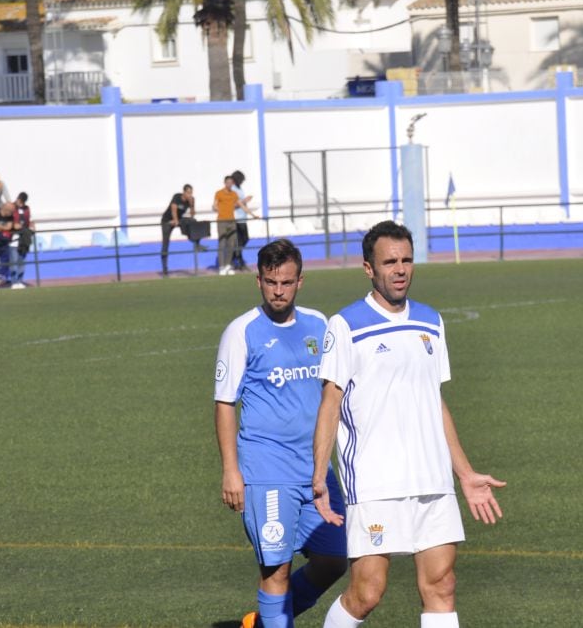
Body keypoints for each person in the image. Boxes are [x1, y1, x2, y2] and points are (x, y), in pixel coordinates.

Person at [312, 221, 506, 628]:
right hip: (375, 482)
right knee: (367, 593)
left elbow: (433, 401)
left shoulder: (430, 321)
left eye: (406, 260)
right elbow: (330, 404)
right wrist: (317, 476)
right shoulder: (346, 325)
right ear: (369, 269)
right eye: (389, 262)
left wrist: (465, 474)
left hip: (432, 480)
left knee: (441, 585)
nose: (400, 269)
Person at [214, 239, 348, 628]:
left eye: (286, 282)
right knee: (276, 571)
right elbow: (225, 404)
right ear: (258, 280)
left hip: (316, 471)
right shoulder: (242, 332)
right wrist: (230, 470)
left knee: (334, 559)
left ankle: (257, 625)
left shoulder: (319, 325)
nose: (278, 290)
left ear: (300, 281)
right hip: (266, 471)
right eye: (271, 282)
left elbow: (334, 391)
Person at [214, 176, 258, 276]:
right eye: (227, 183)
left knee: (231, 244)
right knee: (222, 243)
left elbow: (242, 205)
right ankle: (221, 266)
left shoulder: (234, 194)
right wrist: (216, 208)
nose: (229, 184)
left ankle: (228, 265)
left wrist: (253, 215)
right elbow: (215, 205)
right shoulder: (219, 193)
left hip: (232, 221)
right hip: (222, 221)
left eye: (231, 183)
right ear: (224, 183)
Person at [160, 184, 198, 276]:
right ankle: (165, 269)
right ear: (184, 192)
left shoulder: (191, 200)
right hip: (167, 221)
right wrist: (175, 221)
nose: (190, 194)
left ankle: (194, 240)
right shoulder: (177, 197)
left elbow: (193, 214)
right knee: (166, 243)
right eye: (188, 192)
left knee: (192, 221)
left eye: (191, 193)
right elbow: (173, 209)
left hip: (179, 220)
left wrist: (192, 205)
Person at [8, 192, 35, 289]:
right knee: (13, 261)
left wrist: (32, 228)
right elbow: (7, 220)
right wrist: (13, 226)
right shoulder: (11, 208)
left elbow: (31, 221)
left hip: (24, 240)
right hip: (14, 240)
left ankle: (20, 281)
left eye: (21, 201)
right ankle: (13, 281)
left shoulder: (27, 209)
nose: (19, 202)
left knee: (22, 261)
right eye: (19, 200)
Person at [230, 170, 256, 272]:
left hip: (242, 218)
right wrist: (245, 200)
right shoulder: (233, 189)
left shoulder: (239, 189)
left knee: (244, 239)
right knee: (240, 241)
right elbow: (234, 205)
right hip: (236, 218)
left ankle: (234, 257)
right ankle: (238, 261)